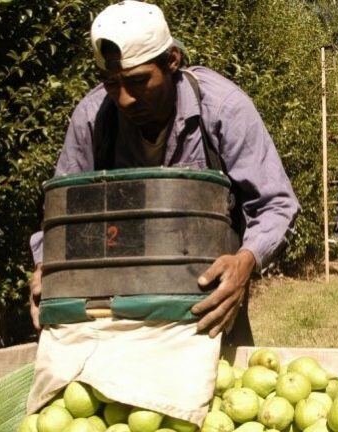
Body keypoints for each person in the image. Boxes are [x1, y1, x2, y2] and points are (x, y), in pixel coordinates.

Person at [27, 0, 299, 348]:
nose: (124, 99)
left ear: (172, 61)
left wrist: (246, 262)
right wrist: (46, 268)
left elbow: (275, 203)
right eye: (111, 83)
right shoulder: (94, 118)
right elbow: (64, 216)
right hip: (118, 308)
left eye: (138, 81)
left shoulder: (223, 109)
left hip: (208, 303)